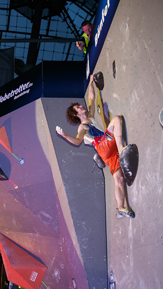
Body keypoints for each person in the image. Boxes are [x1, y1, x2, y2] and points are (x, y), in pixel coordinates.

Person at [56, 74, 135, 218]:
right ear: (76, 114)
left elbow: (91, 98)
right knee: (117, 120)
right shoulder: (83, 127)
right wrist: (65, 136)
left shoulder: (90, 116)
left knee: (119, 179)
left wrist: (91, 82)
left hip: (107, 154)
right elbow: (78, 141)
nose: (81, 106)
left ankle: (121, 208)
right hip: (103, 145)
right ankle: (122, 150)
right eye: (78, 107)